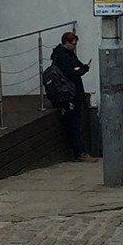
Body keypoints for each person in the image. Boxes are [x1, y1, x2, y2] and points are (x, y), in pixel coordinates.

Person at [51, 31, 97, 162]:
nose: (75, 46)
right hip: (70, 94)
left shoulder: (67, 53)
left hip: (74, 92)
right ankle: (80, 152)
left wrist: (80, 69)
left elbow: (78, 67)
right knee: (73, 124)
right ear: (66, 42)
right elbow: (72, 73)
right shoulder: (62, 56)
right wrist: (82, 69)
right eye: (73, 44)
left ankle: (80, 151)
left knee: (75, 123)